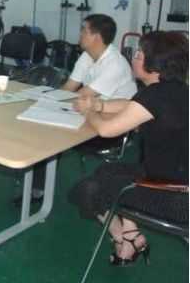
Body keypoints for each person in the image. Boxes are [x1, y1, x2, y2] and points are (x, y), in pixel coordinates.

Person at [69, 31, 188, 265]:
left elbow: (106, 130)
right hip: (173, 180)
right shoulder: (176, 90)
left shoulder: (156, 95)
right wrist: (99, 104)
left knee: (86, 190)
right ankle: (131, 236)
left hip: (173, 198)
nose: (134, 58)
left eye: (139, 54)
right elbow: (133, 104)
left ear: (155, 64)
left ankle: (124, 238)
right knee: (107, 172)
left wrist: (89, 111)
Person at [22, 14, 138, 205]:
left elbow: (83, 95)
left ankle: (38, 189)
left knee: (51, 131)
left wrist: (49, 104)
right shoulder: (87, 56)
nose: (80, 34)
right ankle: (37, 182)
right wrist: (45, 99)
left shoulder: (115, 64)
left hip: (112, 123)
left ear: (97, 37)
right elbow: (70, 87)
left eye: (84, 30)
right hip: (89, 112)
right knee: (43, 124)